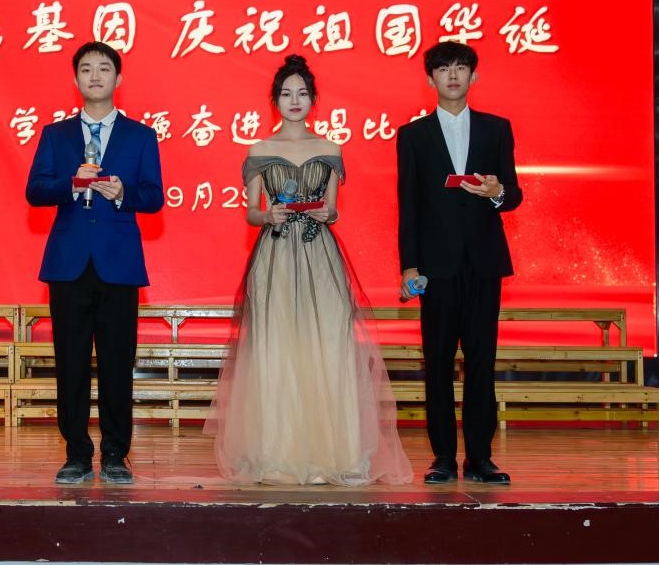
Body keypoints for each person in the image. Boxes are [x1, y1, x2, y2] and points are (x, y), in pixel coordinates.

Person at [206, 55, 412, 486]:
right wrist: (268, 215)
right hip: (276, 254)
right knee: (276, 345)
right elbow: (251, 212)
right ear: (275, 100)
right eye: (286, 93)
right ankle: (276, 454)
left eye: (302, 93)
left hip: (320, 256)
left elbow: (333, 208)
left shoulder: (331, 149)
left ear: (313, 99)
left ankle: (332, 453)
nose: (294, 100)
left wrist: (326, 212)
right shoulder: (260, 150)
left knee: (329, 344)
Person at [25, 42, 164, 485]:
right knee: (70, 363)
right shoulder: (56, 135)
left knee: (117, 362)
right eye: (86, 69)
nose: (95, 76)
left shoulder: (141, 136)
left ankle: (116, 454)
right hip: (68, 263)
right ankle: (77, 454)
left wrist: (123, 193)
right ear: (76, 79)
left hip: (119, 263)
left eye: (104, 69)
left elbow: (154, 197)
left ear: (118, 79)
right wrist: (71, 183)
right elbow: (35, 190)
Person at [396, 41, 522, 485]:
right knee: (438, 363)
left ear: (474, 76)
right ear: (430, 79)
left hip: (484, 262)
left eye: (461, 68)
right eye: (444, 69)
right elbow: (409, 205)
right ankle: (444, 458)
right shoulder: (413, 135)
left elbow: (513, 193)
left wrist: (497, 192)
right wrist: (410, 266)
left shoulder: (496, 128)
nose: (452, 75)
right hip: (436, 267)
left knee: (482, 361)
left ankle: (481, 458)